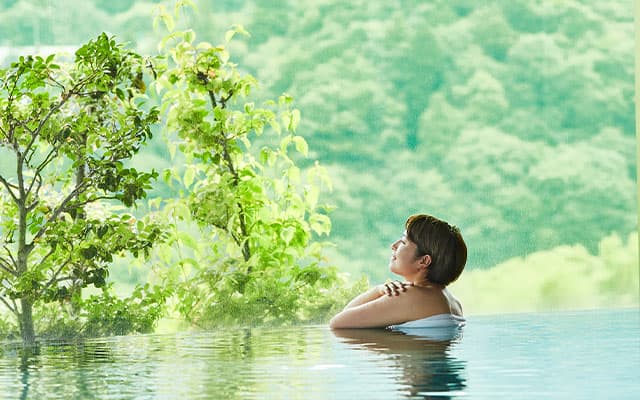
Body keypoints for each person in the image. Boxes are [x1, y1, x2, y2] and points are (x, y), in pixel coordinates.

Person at [329, 214, 467, 329]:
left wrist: (377, 291)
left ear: (424, 261)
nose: (394, 246)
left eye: (403, 242)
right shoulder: (454, 302)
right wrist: (381, 290)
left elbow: (337, 323)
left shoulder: (409, 297)